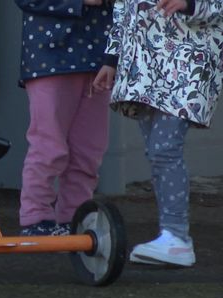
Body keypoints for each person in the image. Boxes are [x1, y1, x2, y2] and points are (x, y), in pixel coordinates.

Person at [93, 0, 223, 267]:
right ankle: (171, 235)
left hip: (187, 62)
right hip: (143, 67)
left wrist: (189, 4)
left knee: (165, 149)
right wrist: (112, 59)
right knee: (156, 151)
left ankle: (177, 236)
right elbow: (122, 11)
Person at [14, 0, 114, 236]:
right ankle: (35, 217)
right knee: (49, 144)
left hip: (97, 55)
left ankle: (75, 215)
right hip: (49, 56)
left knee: (88, 149)